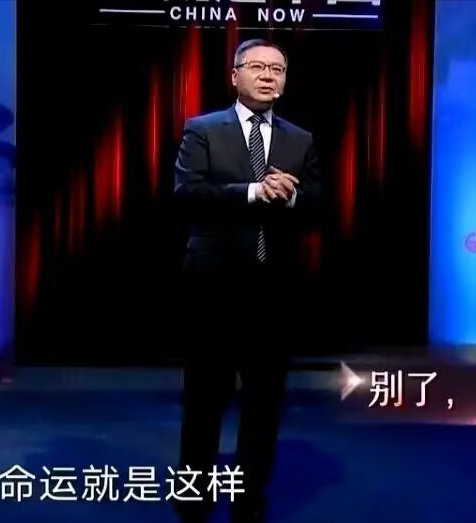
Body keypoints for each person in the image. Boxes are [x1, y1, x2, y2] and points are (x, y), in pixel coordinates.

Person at [173, 39, 321, 522]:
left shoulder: (300, 139)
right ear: (234, 75)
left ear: (285, 80)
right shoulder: (203, 130)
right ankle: (193, 499)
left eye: (277, 69)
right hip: (213, 288)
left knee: (264, 404)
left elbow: (318, 206)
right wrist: (255, 191)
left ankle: (250, 498)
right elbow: (188, 194)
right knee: (204, 401)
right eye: (256, 67)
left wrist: (291, 196)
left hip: (273, 291)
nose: (267, 75)